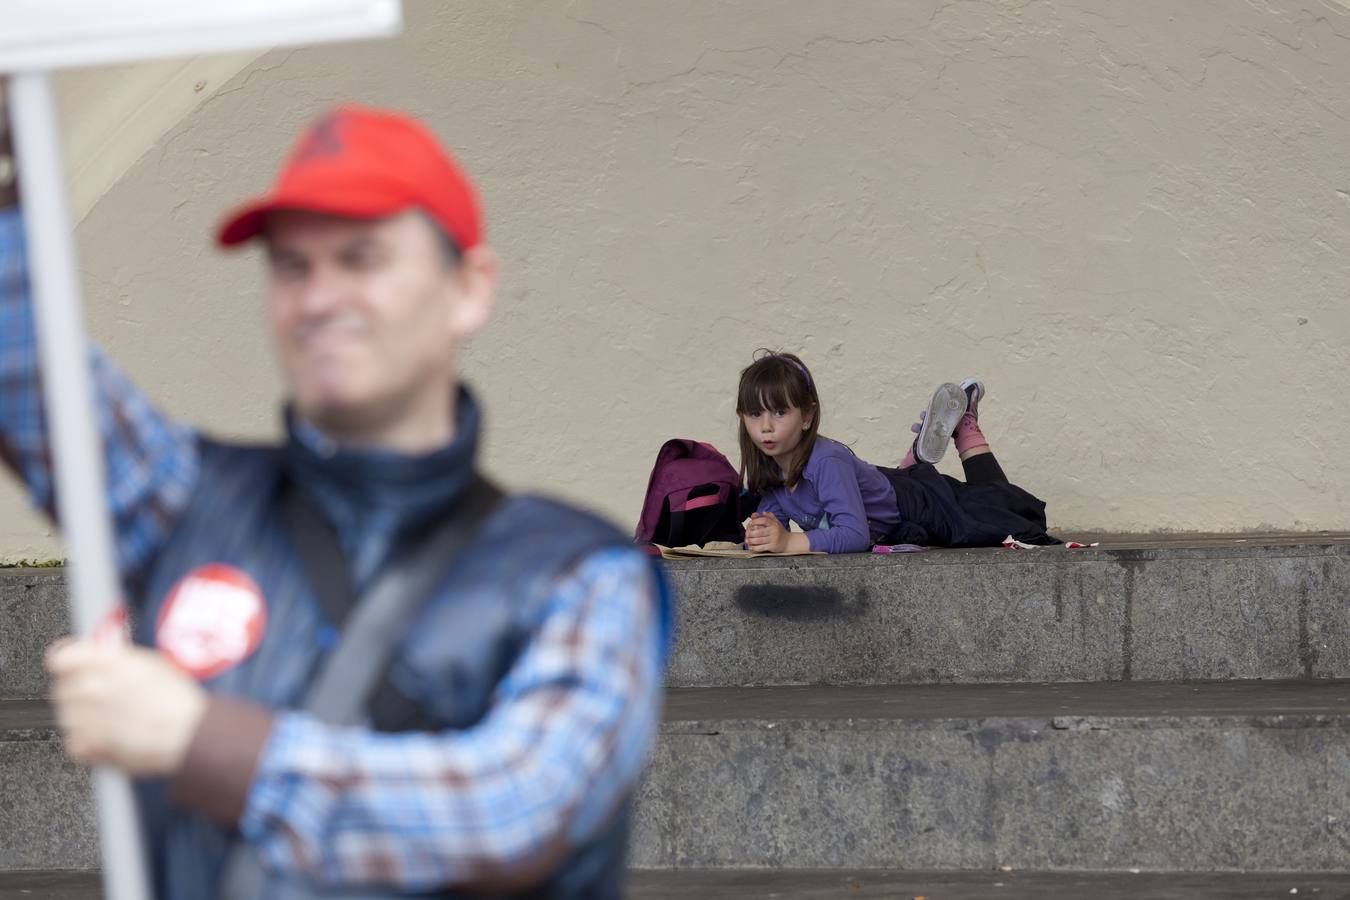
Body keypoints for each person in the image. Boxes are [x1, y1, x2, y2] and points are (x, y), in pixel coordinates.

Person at [0, 85, 670, 899]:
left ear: (469, 288)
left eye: (361, 258)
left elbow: (511, 811)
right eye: (292, 265)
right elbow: (30, 380)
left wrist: (196, 741)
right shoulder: (185, 500)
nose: (318, 298)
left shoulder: (582, 574)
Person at [739, 351, 1055, 553]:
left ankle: (966, 426)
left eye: (780, 413)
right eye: (755, 414)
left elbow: (853, 535)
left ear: (807, 416)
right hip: (889, 500)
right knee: (992, 505)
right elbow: (772, 527)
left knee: (1017, 518)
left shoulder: (826, 463)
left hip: (915, 505)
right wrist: (760, 536)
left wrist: (790, 541)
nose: (766, 426)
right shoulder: (772, 472)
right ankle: (915, 463)